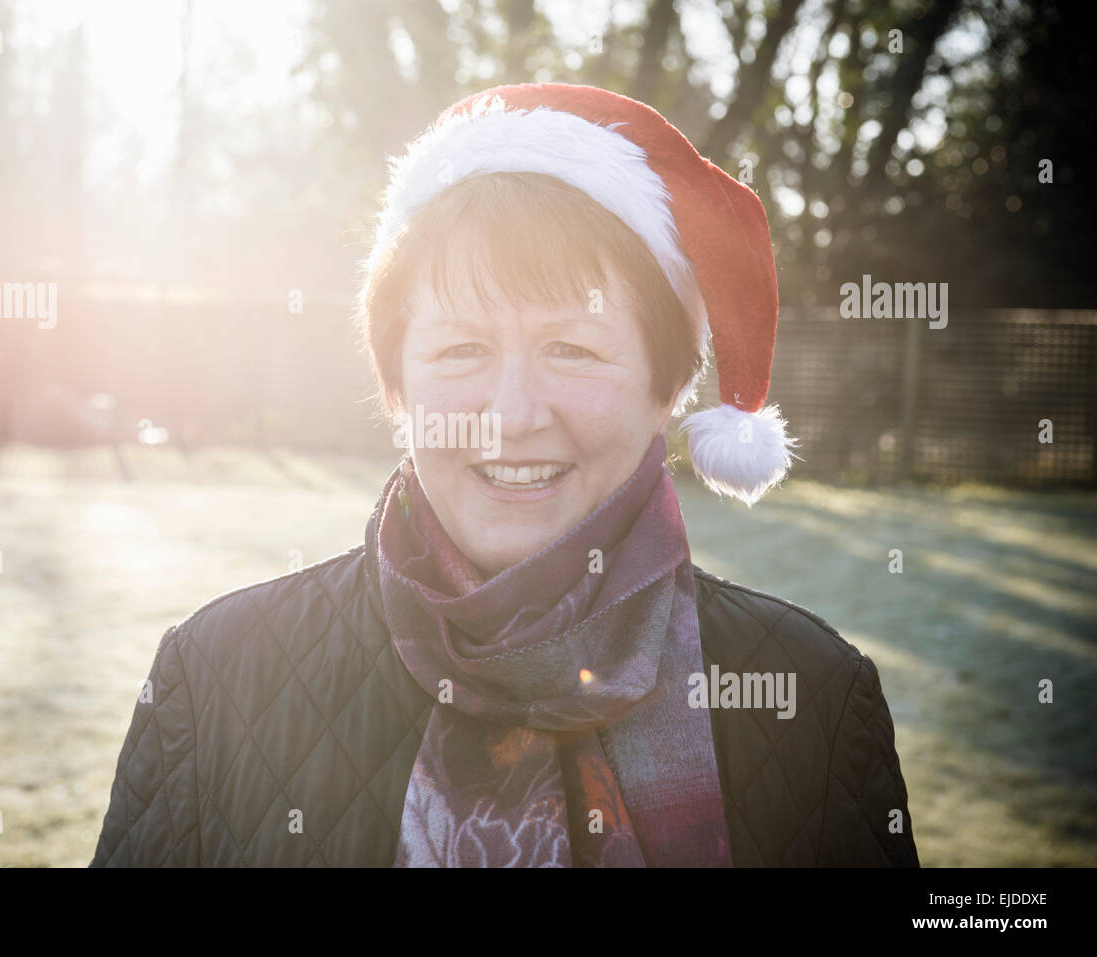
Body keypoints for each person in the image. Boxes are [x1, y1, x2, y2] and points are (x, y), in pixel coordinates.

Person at [90, 82, 919, 867]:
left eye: (572, 348)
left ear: (667, 388)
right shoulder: (214, 678)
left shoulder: (813, 696)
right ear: (397, 387)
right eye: (461, 348)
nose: (512, 413)